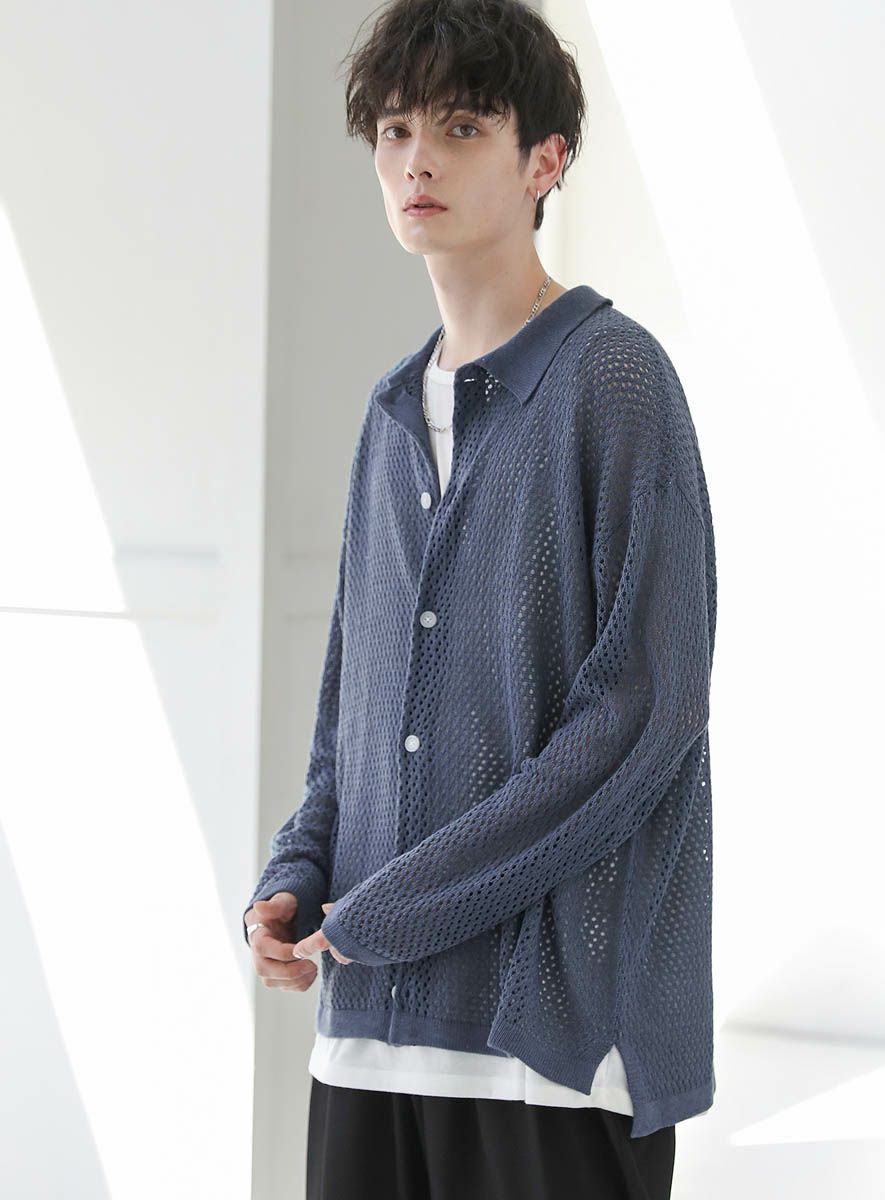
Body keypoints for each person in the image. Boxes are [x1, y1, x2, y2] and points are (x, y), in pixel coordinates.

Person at [244, 1, 717, 1196]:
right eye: (394, 130)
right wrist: (297, 872)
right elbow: (351, 711)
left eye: (460, 127)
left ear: (544, 160)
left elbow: (639, 718)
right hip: (367, 1037)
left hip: (545, 1048)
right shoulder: (389, 414)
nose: (417, 161)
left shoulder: (615, 380)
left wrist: (390, 909)